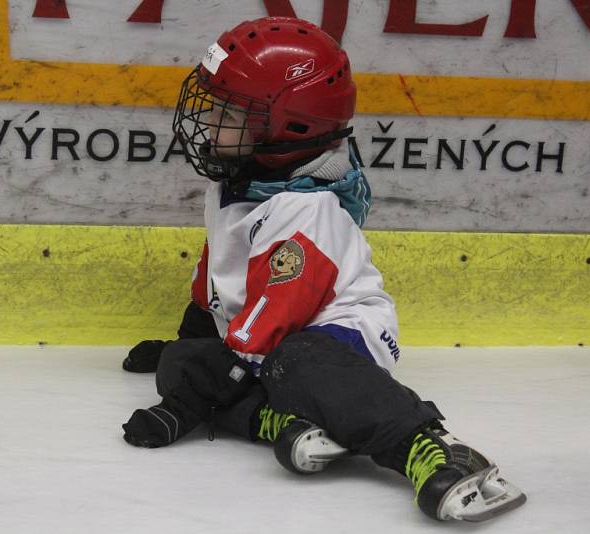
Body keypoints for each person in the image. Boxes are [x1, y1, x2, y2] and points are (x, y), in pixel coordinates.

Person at [121, 16, 526, 522]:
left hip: (337, 338)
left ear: (288, 127)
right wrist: (190, 340)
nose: (209, 124)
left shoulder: (307, 211)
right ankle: (279, 421)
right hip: (263, 340)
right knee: (180, 364)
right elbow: (218, 272)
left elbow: (280, 317)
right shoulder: (234, 183)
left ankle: (429, 446)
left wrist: (187, 406)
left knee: (295, 361)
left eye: (229, 113)